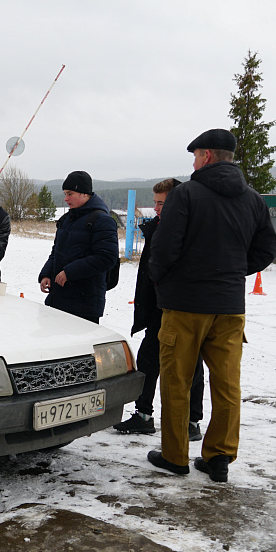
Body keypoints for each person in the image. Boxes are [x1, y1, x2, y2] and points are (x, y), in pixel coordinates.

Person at [147, 129, 276, 482]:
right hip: (230, 306)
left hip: (185, 305)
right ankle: (219, 456)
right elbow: (266, 250)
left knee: (177, 381)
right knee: (227, 384)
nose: (192, 163)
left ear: (205, 156)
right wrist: (232, 270)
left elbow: (164, 248)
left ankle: (175, 457)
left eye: (195, 156)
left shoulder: (185, 195)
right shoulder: (253, 199)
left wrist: (162, 279)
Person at [114, 178, 205, 440]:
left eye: (161, 203)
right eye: (154, 203)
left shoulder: (189, 231)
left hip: (182, 309)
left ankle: (191, 421)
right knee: (147, 360)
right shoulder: (155, 228)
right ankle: (143, 415)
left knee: (190, 365)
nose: (156, 208)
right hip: (155, 309)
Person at [38, 171, 119, 323]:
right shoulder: (67, 219)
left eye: (70, 194)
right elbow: (56, 252)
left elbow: (106, 258)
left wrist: (69, 272)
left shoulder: (102, 220)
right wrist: (46, 273)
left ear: (84, 193)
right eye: (65, 194)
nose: (65, 198)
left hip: (84, 303)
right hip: (59, 298)